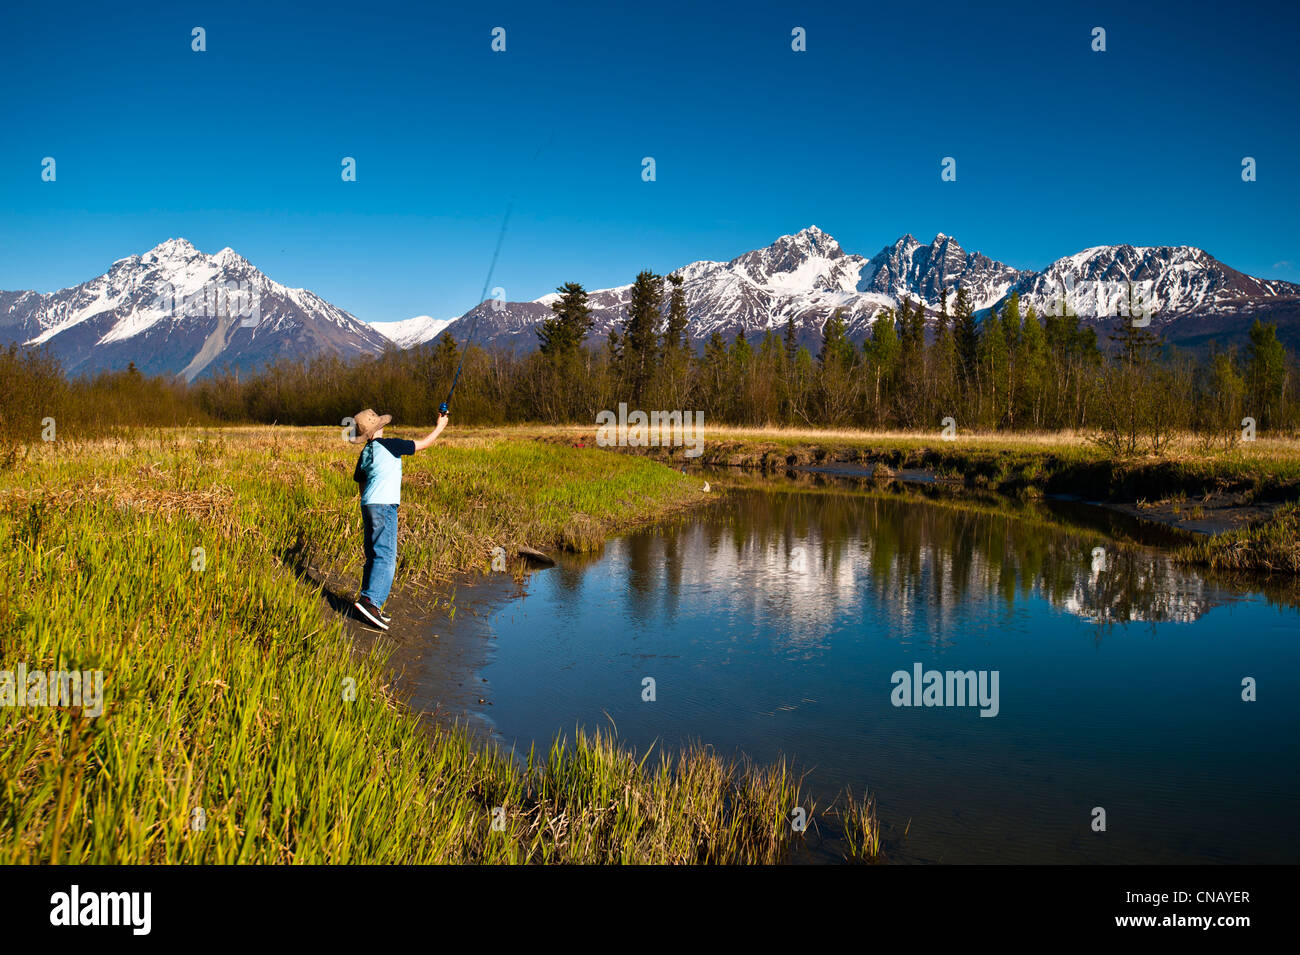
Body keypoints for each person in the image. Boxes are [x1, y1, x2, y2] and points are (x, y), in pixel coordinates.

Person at [349, 408, 448, 630]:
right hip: (384, 505)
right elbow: (422, 444)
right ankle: (371, 602)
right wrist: (440, 427)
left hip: (368, 505)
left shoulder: (365, 452)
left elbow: (360, 480)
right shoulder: (390, 444)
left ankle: (369, 600)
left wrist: (367, 500)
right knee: (385, 556)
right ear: (379, 427)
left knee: (373, 554)